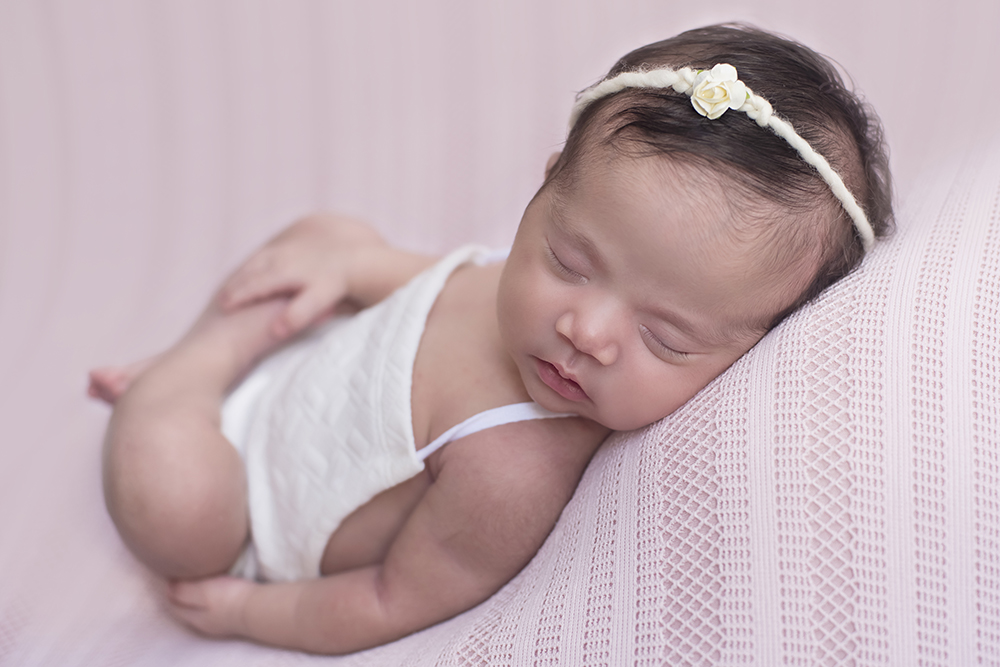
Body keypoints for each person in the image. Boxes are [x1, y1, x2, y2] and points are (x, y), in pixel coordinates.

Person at [89, 23, 892, 654]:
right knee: (330, 234)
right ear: (545, 186)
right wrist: (351, 264)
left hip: (247, 505)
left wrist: (250, 612)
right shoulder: (506, 282)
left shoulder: (513, 468)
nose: (586, 331)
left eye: (665, 336)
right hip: (301, 368)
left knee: (175, 513)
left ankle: (189, 373)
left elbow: (389, 598)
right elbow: (426, 282)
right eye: (570, 262)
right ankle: (215, 352)